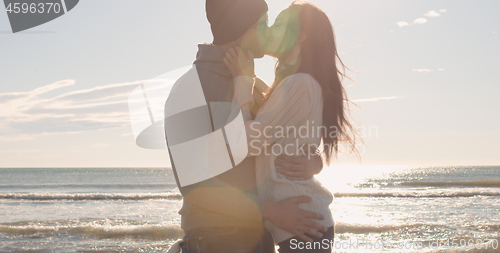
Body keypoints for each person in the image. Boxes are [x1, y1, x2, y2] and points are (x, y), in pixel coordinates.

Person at [163, 0, 330, 252]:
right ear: (242, 29)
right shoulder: (189, 89)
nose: (269, 31)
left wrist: (313, 160)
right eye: (263, 24)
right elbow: (193, 183)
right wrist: (271, 211)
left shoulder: (255, 83)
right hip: (216, 237)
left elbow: (288, 136)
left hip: (260, 235)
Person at [223, 1, 360, 252]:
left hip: (303, 226)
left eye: (279, 24)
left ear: (301, 36)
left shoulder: (298, 85)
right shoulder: (294, 83)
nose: (270, 29)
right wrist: (315, 160)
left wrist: (242, 80)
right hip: (304, 224)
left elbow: (243, 143)